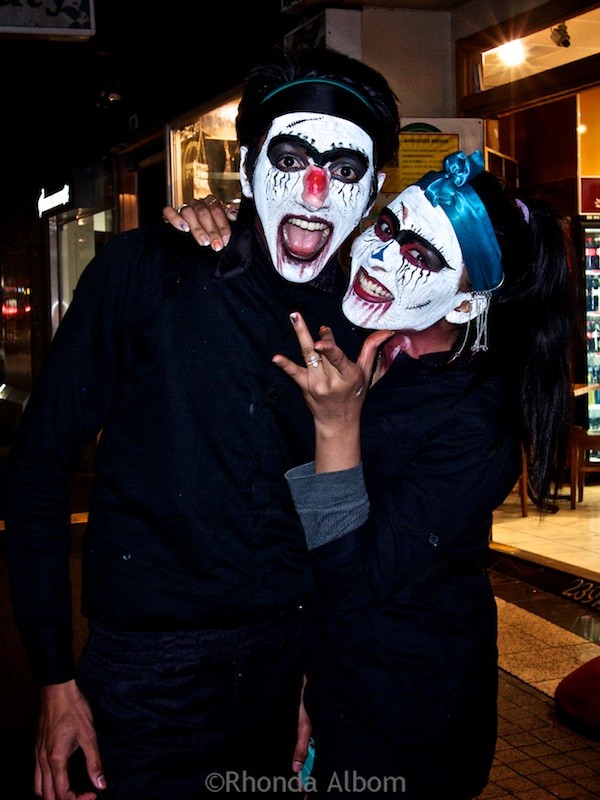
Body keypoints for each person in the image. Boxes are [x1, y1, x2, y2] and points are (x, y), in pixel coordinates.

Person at [4, 46, 400, 800]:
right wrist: (53, 678)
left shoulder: (357, 315)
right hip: (145, 671)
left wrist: (317, 671)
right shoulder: (144, 268)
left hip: (281, 665)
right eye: (291, 156)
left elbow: (339, 511)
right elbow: (38, 470)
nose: (317, 188)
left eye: (345, 170)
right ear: (248, 169)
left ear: (375, 188)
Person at [174, 150, 575, 798]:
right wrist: (216, 223)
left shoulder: (477, 422)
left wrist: (337, 424)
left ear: (468, 305)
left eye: (421, 255)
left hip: (407, 706)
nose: (384, 257)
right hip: (323, 667)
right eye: (388, 228)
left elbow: (351, 574)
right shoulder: (367, 334)